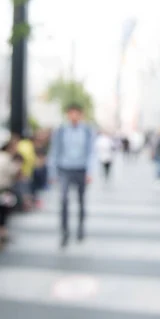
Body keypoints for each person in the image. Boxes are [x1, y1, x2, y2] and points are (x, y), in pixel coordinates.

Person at [48, 103, 95, 248]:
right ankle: (64, 231)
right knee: (63, 200)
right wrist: (53, 172)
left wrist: (90, 171)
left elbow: (91, 152)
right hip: (64, 169)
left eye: (76, 113)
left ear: (80, 115)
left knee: (81, 201)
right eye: (71, 113)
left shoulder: (87, 131)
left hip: (81, 169)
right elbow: (54, 152)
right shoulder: (61, 130)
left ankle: (80, 228)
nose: (74, 116)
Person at [0, 140, 22, 243]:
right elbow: (14, 172)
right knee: (4, 211)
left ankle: (0, 233)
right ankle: (1, 233)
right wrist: (18, 164)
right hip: (2, 189)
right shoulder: (6, 158)